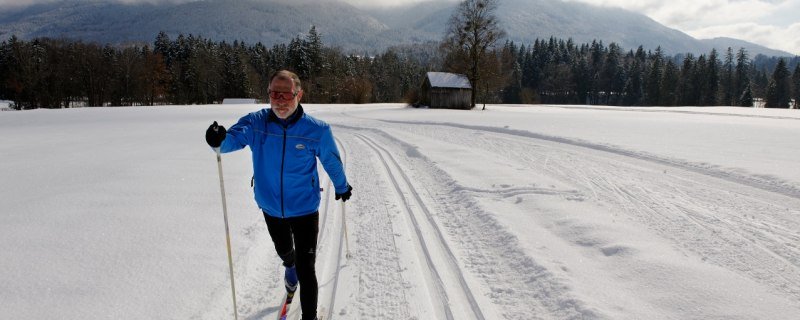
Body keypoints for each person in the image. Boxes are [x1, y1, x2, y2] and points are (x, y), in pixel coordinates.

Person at [205, 70, 352, 320]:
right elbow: (230, 140)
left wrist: (341, 186)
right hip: (271, 206)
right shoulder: (255, 123)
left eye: (286, 94)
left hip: (305, 208)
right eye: (275, 94)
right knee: (284, 250)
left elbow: (331, 160)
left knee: (308, 270)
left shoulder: (317, 130)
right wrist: (217, 139)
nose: (280, 100)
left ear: (299, 94)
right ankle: (288, 266)